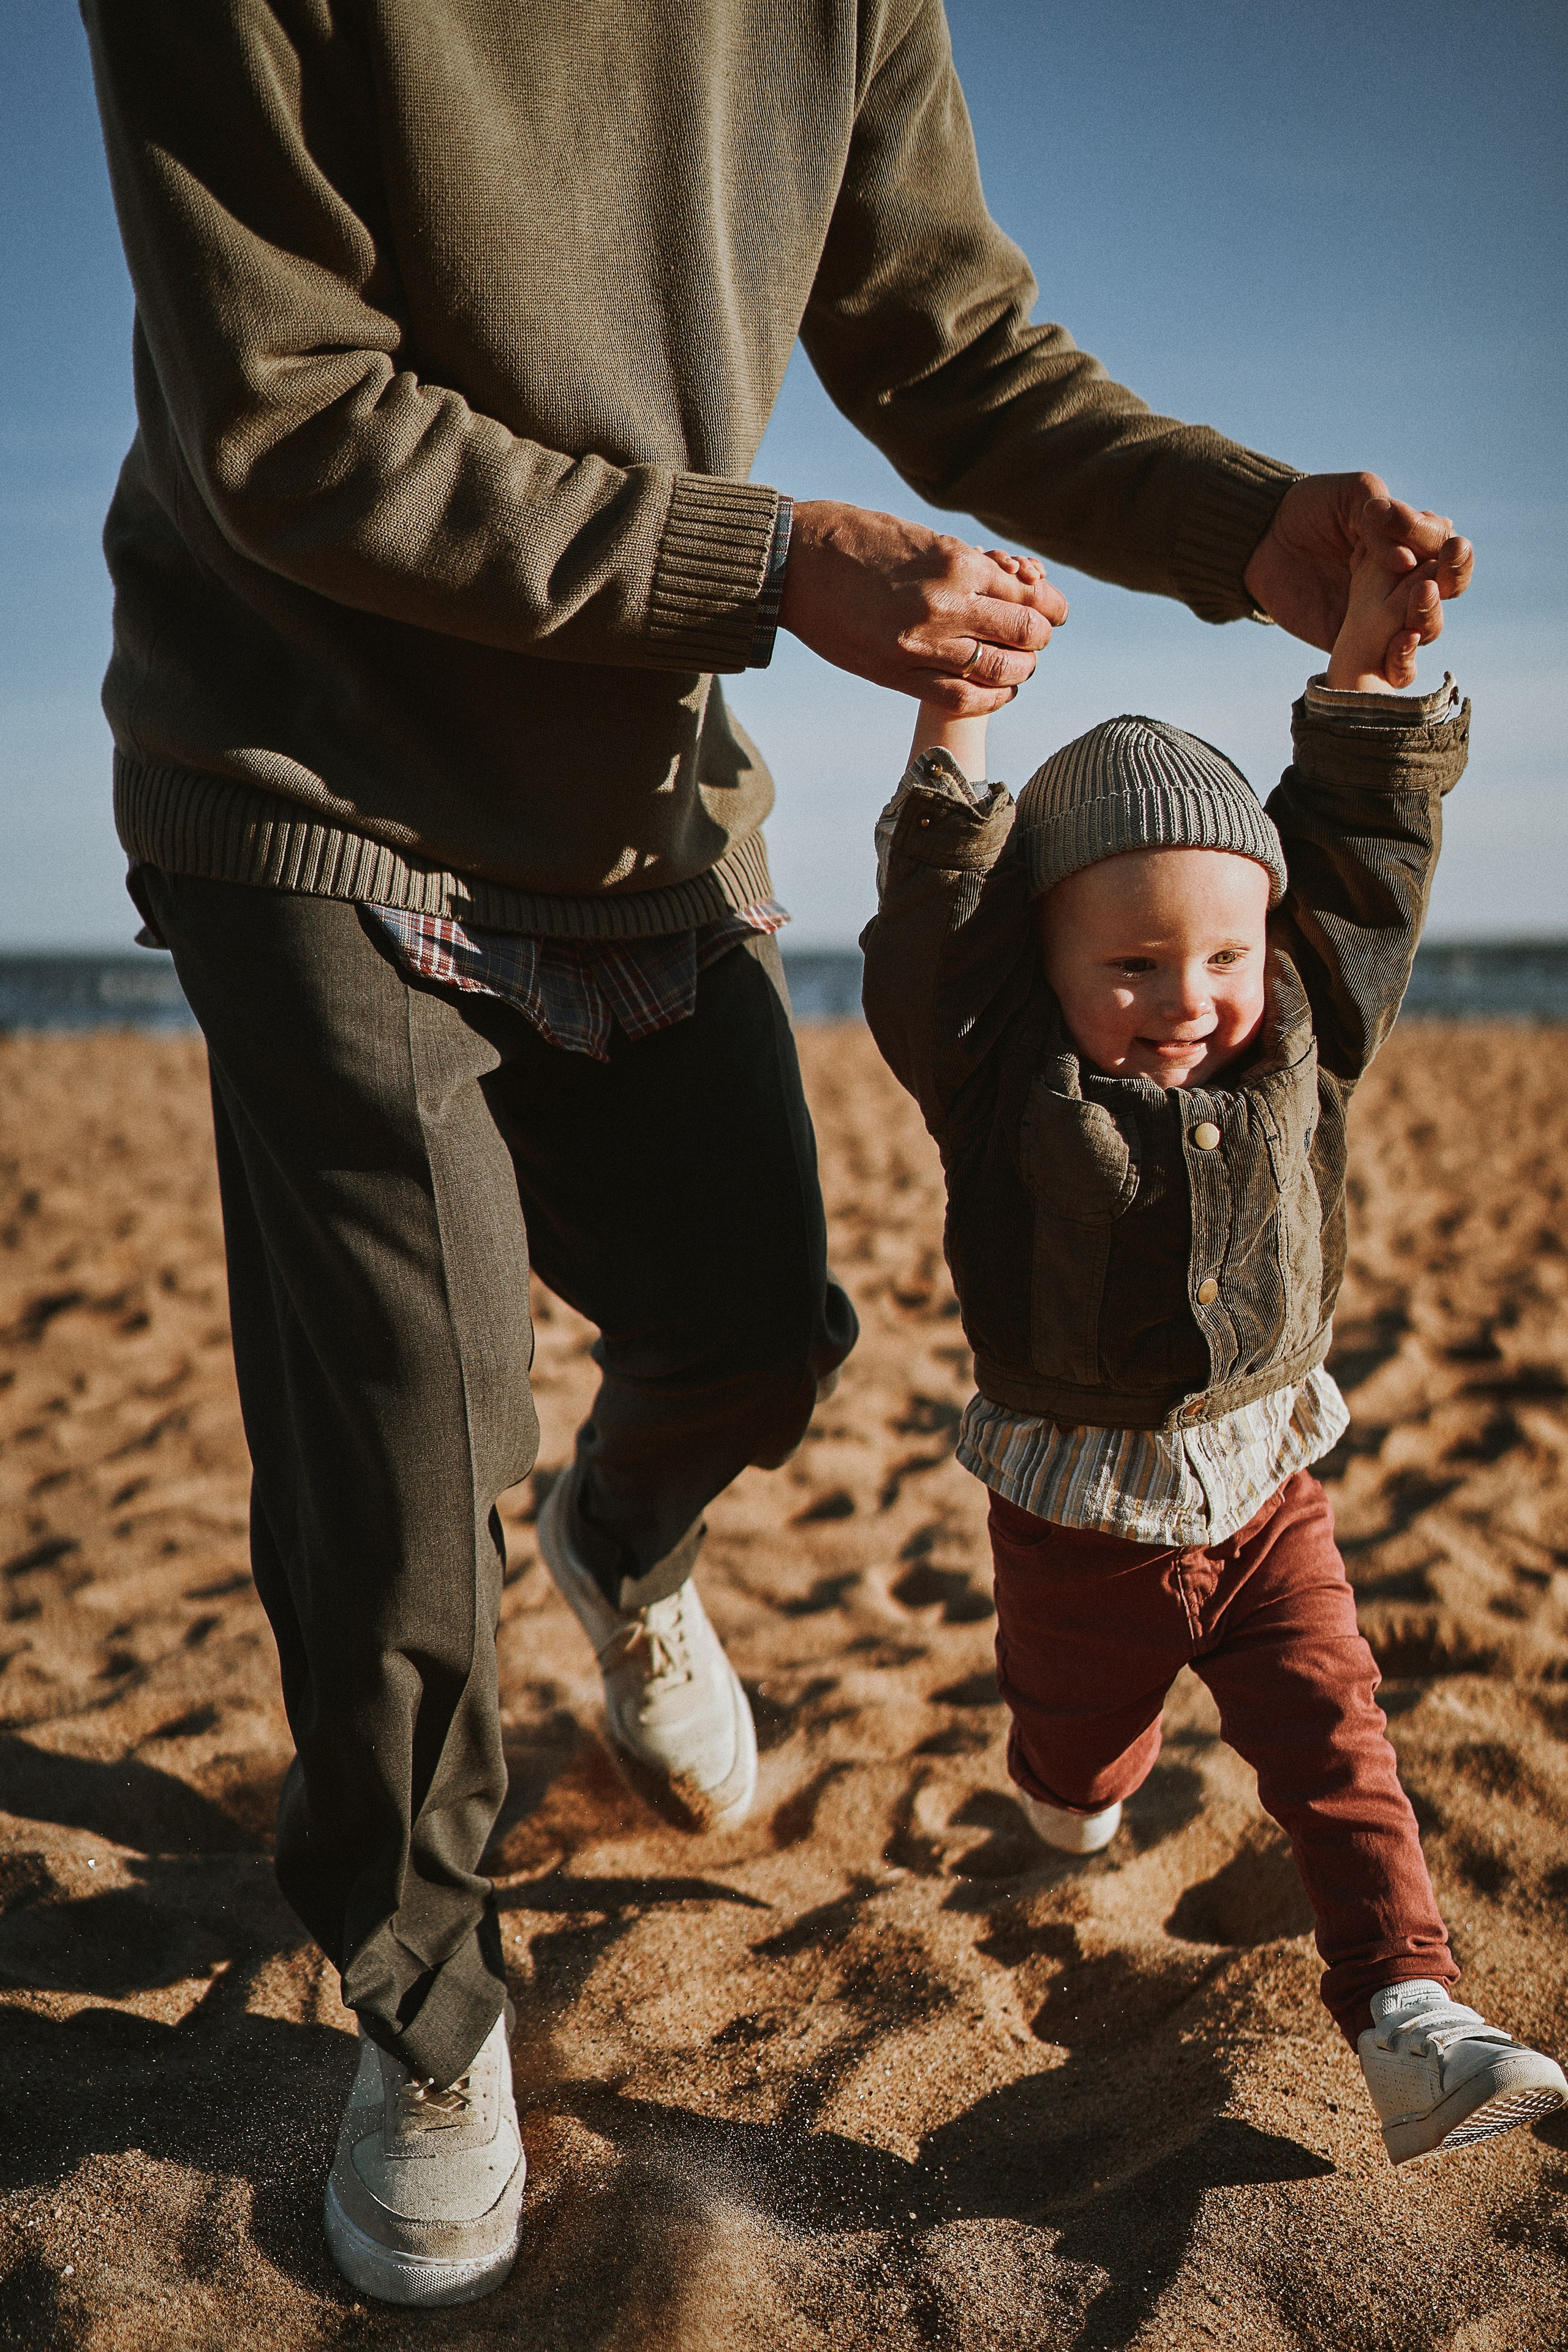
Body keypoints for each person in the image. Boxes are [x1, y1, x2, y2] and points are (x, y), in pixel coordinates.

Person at [81, 0, 1472, 2304]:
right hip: (299, 774)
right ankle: (431, 2014)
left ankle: (626, 1539)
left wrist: (1248, 529)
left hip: (628, 801)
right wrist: (764, 571)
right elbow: (284, 415)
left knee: (753, 1328)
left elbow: (953, 344)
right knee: (416, 1434)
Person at [860, 509, 1567, 2167]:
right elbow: (937, 921)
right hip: (1077, 1525)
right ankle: (1068, 1779)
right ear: (1041, 963)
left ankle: (1412, 2017)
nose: (1189, 997)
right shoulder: (991, 1068)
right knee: (1079, 1759)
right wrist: (957, 723)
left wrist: (1375, 683)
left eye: (1227, 955)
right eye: (1132, 964)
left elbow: (1364, 863)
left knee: (1342, 1742)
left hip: (1266, 1496)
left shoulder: (1304, 1036)